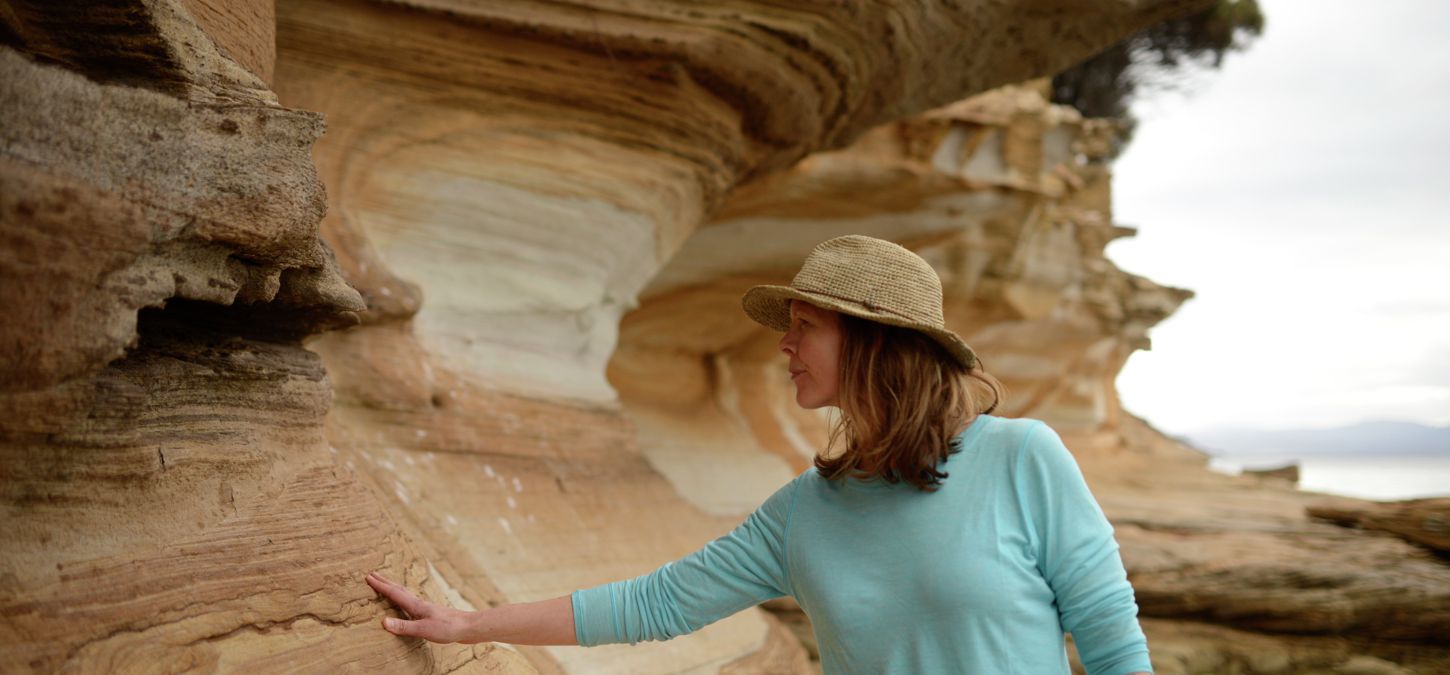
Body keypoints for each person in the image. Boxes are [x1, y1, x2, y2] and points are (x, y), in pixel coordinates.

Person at [366, 235, 1154, 674]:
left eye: (807, 325)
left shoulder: (1023, 458)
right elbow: (653, 604)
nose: (785, 341)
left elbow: (1113, 640)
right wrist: (469, 624)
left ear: (873, 340)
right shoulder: (806, 512)